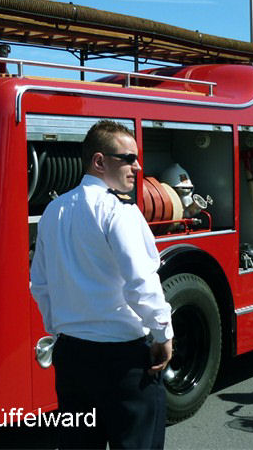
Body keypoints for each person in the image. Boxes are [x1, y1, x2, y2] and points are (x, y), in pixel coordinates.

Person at [30, 120, 173, 449]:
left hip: (71, 359)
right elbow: (141, 282)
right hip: (123, 362)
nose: (137, 167)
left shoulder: (53, 211)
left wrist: (61, 331)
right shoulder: (119, 211)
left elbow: (41, 284)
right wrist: (163, 333)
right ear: (99, 161)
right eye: (128, 158)